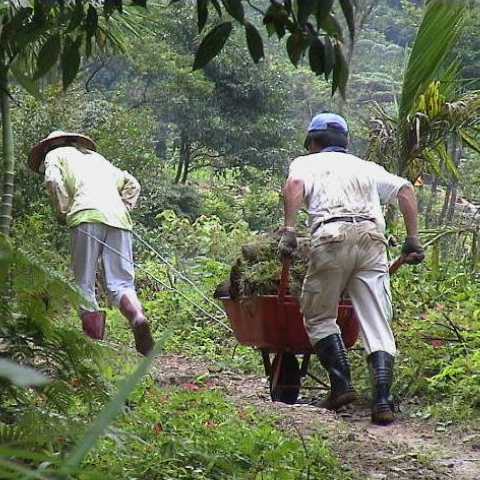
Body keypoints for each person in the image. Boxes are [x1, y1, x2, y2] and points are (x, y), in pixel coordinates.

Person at [278, 113, 424, 425]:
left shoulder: (307, 163)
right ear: (344, 142)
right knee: (376, 323)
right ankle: (382, 402)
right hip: (373, 239)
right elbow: (406, 191)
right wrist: (412, 239)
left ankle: (341, 385)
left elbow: (294, 185)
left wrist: (289, 230)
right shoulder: (365, 167)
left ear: (314, 142)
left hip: (331, 236)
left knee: (317, 315)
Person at [28, 130, 155, 356]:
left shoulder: (55, 155)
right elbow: (132, 183)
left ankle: (93, 350)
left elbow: (53, 180)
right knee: (122, 283)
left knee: (84, 285)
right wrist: (123, 208)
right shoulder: (98, 160)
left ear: (49, 147)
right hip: (119, 220)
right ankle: (137, 317)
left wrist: (63, 211)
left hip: (84, 216)